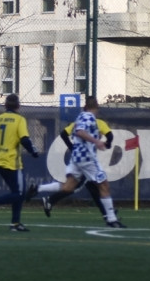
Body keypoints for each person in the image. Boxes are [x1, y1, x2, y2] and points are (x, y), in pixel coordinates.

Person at [36, 96, 125, 228]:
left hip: (77, 159)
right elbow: (80, 132)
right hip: (87, 158)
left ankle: (41, 192)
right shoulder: (88, 117)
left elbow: (74, 132)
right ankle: (112, 219)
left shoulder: (81, 117)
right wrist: (97, 142)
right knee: (104, 186)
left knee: (69, 187)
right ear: (97, 108)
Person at [0, 94, 41, 232]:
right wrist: (33, 152)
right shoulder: (19, 119)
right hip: (13, 163)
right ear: (18, 106)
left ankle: (15, 224)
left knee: (16, 192)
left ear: (5, 106)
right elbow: (24, 139)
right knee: (20, 194)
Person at [40, 117, 113, 219]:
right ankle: (50, 199)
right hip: (86, 162)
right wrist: (107, 143)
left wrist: (72, 147)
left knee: (93, 189)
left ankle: (106, 214)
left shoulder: (78, 123)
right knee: (78, 187)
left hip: (80, 159)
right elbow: (109, 136)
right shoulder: (98, 123)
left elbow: (64, 134)